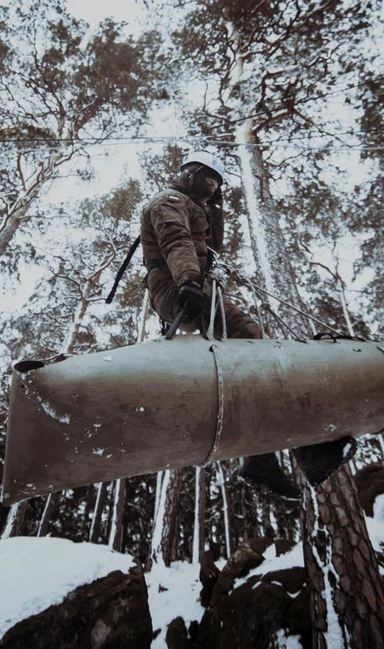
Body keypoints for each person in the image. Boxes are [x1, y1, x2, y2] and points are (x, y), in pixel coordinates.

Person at [140, 150, 353, 499]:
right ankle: (304, 450)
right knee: (250, 342)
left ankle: (262, 455)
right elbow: (176, 239)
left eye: (217, 183)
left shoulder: (199, 209)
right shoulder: (169, 200)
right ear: (192, 172)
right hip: (177, 287)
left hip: (196, 286)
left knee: (251, 346)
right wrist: (189, 282)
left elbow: (203, 245)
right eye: (208, 178)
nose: (212, 186)